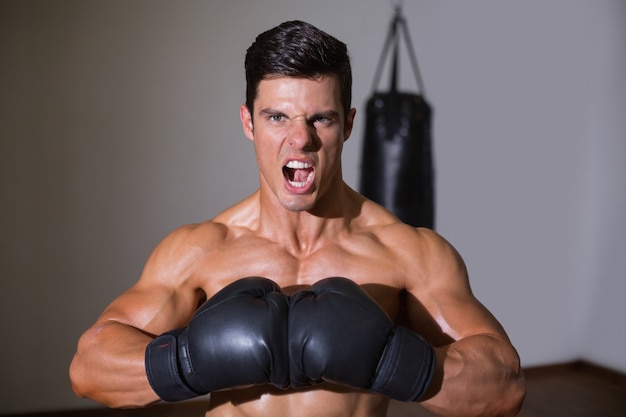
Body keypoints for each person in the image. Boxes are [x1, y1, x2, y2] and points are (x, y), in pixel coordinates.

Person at [69, 20, 525, 417]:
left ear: (348, 125)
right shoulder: (202, 250)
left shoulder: (408, 253)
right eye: (277, 117)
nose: (300, 139)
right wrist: (190, 361)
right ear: (249, 123)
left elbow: (505, 386)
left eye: (320, 119)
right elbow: (90, 368)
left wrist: (390, 362)